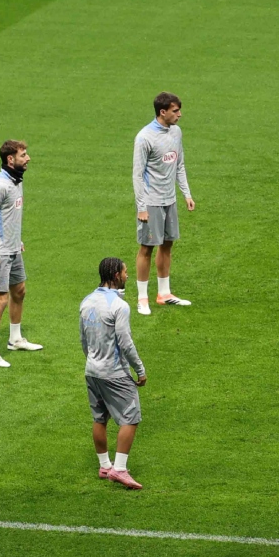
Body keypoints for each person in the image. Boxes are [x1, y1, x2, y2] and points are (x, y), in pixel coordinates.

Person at [80, 256, 146, 490]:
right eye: (126, 272)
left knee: (100, 417)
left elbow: (83, 339)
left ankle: (104, 465)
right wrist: (140, 370)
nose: (128, 275)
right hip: (114, 372)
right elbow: (125, 343)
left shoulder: (86, 301)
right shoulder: (120, 306)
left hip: (92, 370)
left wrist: (92, 361)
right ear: (116, 275)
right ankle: (119, 469)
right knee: (131, 417)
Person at [0, 139, 42, 368]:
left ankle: (15, 339)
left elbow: (7, 218)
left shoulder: (16, 182)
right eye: (23, 155)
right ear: (10, 159)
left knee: (19, 290)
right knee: (0, 299)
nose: (28, 158)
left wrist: (17, 240)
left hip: (13, 248)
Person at [133, 91, 196, 315]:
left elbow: (179, 164)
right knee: (147, 248)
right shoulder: (144, 137)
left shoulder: (176, 132)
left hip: (169, 199)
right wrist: (141, 207)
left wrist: (186, 194)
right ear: (163, 112)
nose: (180, 115)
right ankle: (142, 298)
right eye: (175, 111)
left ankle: (164, 293)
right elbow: (137, 175)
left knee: (167, 244)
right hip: (151, 201)